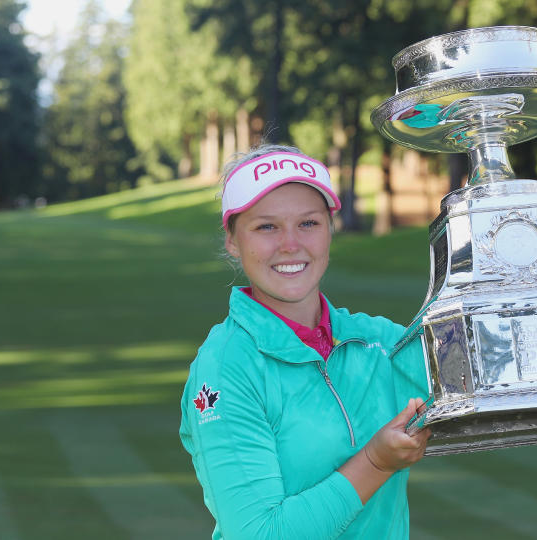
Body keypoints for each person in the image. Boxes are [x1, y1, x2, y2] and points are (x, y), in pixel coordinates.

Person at [179, 144, 432, 539]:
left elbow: (486, 382)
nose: (291, 244)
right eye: (267, 226)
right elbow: (258, 533)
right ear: (232, 239)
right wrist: (376, 463)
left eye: (309, 223)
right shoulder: (226, 367)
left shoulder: (377, 342)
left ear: (330, 228)